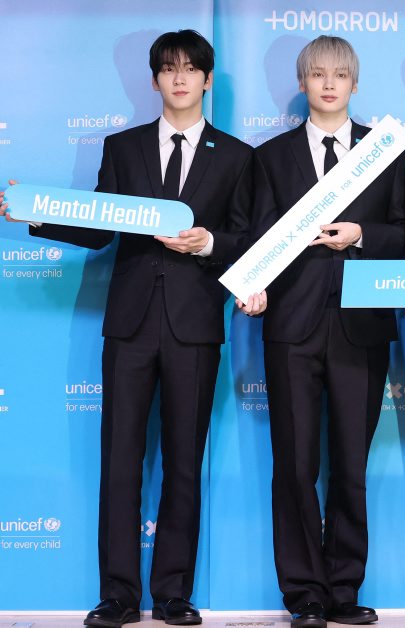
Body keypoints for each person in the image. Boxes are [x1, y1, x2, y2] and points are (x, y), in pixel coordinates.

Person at [0, 29, 253, 627]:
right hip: (130, 324)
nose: (180, 78)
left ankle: (173, 594)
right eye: (168, 68)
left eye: (190, 68)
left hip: (195, 325)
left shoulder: (237, 155)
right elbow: (98, 225)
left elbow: (246, 238)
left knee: (184, 462)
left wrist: (209, 243)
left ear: (207, 80)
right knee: (120, 461)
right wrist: (36, 214)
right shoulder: (124, 147)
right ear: (155, 78)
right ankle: (117, 594)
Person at [241, 35, 405, 628]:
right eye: (318, 74)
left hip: (362, 327)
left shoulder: (385, 152)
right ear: (303, 83)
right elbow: (256, 236)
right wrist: (253, 284)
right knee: (294, 466)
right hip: (290, 325)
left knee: (350, 466)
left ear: (355, 83)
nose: (329, 84)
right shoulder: (270, 157)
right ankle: (304, 594)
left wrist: (362, 234)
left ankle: (343, 588)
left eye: (340, 74)